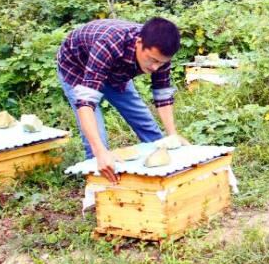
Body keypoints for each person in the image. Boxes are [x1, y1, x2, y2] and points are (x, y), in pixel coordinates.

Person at [57, 17, 189, 183]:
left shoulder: (160, 54)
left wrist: (172, 136)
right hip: (77, 67)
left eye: (161, 63)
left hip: (117, 72)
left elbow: (162, 94)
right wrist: (100, 152)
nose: (155, 68)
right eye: (153, 60)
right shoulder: (108, 45)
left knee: (144, 121)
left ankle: (164, 176)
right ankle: (100, 188)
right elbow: (85, 104)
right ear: (139, 43)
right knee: (98, 143)